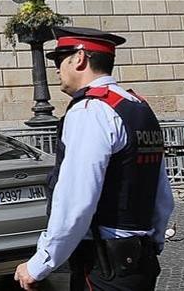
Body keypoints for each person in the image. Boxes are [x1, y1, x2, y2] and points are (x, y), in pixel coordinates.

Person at [14, 27, 174, 291]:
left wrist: (40, 264)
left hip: (104, 265)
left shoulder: (90, 111)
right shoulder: (137, 106)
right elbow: (161, 191)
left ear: (79, 58)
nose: (56, 70)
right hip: (138, 260)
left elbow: (76, 199)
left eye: (58, 60)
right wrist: (154, 239)